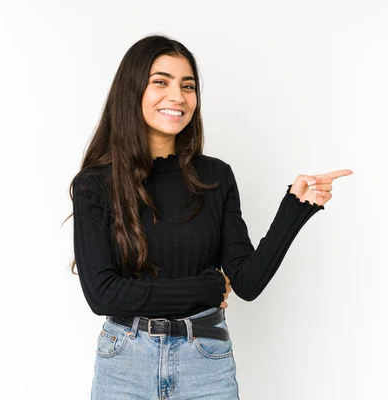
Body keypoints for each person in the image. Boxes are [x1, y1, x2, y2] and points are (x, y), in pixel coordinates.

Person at [68, 34, 352, 400]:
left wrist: (296, 207)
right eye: (161, 82)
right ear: (132, 90)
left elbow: (246, 283)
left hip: (206, 359)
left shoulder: (215, 177)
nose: (178, 97)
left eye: (188, 86)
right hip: (125, 363)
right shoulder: (95, 184)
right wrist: (207, 287)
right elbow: (102, 294)